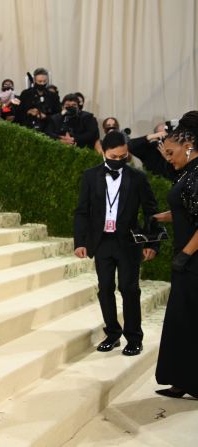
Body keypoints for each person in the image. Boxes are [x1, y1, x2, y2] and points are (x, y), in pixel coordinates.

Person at [74, 131, 159, 356]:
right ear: (103, 152)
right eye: (114, 156)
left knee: (130, 289)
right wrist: (80, 241)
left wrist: (153, 243)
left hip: (129, 242)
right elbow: (82, 211)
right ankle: (112, 334)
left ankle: (134, 338)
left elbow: (152, 212)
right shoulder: (90, 176)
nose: (119, 160)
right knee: (105, 289)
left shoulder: (137, 177)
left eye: (124, 156)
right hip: (101, 242)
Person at [153, 111, 198, 399]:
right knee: (182, 319)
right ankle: (182, 380)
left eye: (171, 152)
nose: (168, 158)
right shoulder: (190, 173)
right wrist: (169, 216)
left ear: (189, 144)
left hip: (193, 261)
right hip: (187, 260)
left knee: (191, 320)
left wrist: (184, 254)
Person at [16, 67, 60, 131]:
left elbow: (58, 114)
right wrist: (28, 112)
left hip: (48, 130)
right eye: (39, 81)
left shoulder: (53, 96)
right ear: (34, 80)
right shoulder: (26, 94)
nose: (42, 84)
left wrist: (46, 117)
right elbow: (18, 113)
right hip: (28, 129)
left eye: (44, 81)